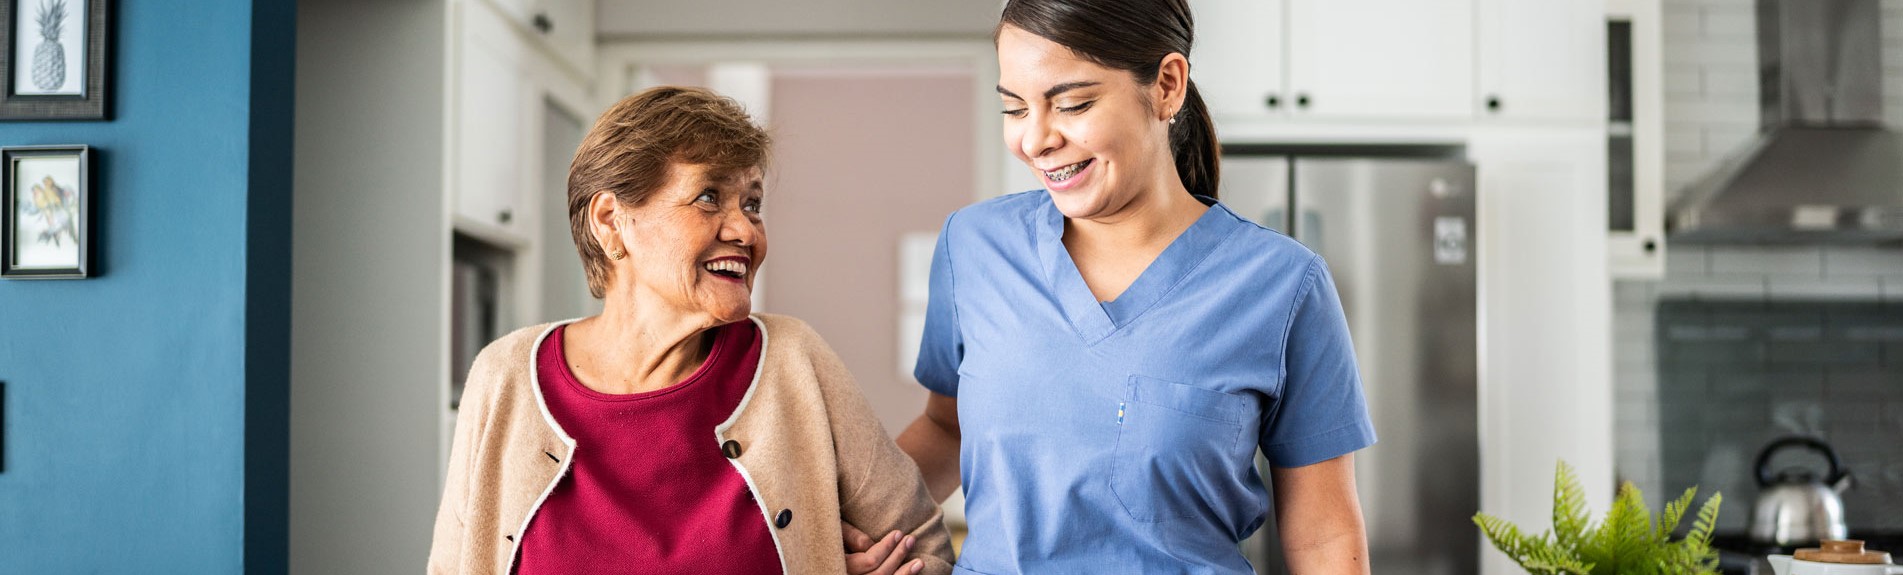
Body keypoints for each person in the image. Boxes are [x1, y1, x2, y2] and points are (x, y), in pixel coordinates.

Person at [891, 0, 1378, 572]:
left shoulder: (1283, 285)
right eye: (1015, 108)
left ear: (1167, 85)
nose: (1035, 139)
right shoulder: (973, 246)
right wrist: (854, 529)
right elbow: (945, 427)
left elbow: (1324, 537)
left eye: (1072, 104)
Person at [427, 86, 953, 575]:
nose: (745, 230)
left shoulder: (793, 360)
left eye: (752, 204)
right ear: (610, 220)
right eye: (708, 197)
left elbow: (924, 549)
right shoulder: (506, 376)